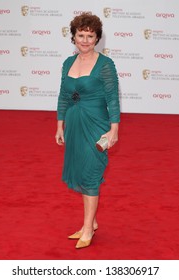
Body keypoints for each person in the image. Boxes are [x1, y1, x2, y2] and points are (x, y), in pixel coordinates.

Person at [55, 12, 120, 249]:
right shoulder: (67, 63)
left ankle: (87, 228)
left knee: (91, 173)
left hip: (96, 124)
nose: (84, 40)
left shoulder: (105, 65)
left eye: (90, 36)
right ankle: (90, 223)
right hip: (73, 123)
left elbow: (113, 99)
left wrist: (114, 130)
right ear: (73, 37)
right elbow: (63, 96)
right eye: (80, 35)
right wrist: (59, 124)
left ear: (97, 38)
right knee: (81, 172)